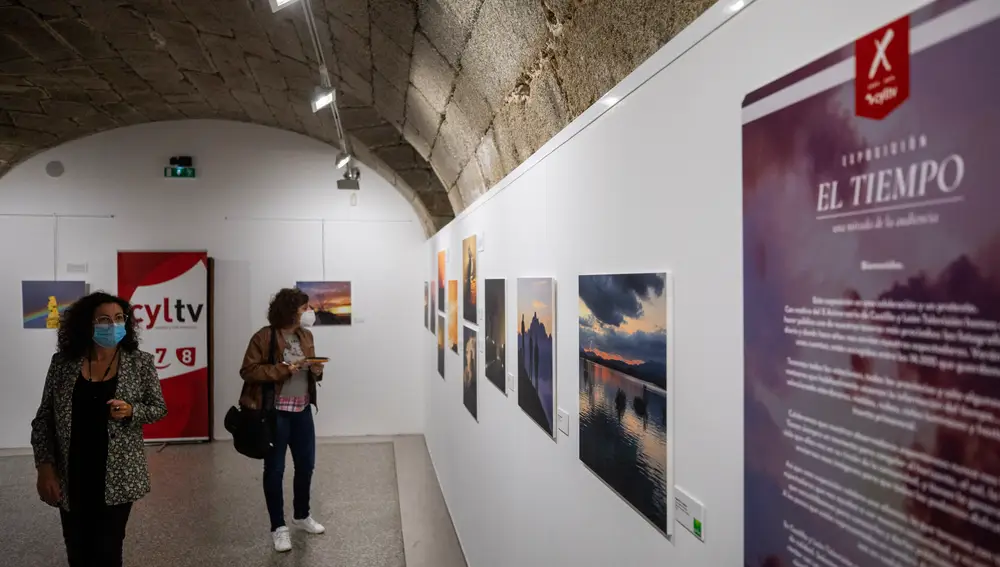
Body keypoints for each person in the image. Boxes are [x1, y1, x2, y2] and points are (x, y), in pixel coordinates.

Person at [30, 291, 168, 567]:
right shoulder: (63, 364)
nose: (113, 325)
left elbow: (158, 408)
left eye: (119, 318)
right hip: (73, 475)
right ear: (87, 324)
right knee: (78, 552)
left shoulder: (140, 362)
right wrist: (45, 468)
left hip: (117, 476)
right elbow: (44, 419)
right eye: (104, 319)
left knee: (107, 551)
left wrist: (132, 410)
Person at [240, 288, 327, 552]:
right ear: (290, 310)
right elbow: (248, 370)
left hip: (302, 410)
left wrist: (317, 370)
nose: (308, 313)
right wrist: (282, 370)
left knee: (306, 466)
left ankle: (301, 515)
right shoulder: (263, 337)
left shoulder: (306, 335)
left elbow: (311, 372)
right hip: (274, 413)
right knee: (275, 470)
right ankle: (278, 527)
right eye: (304, 308)